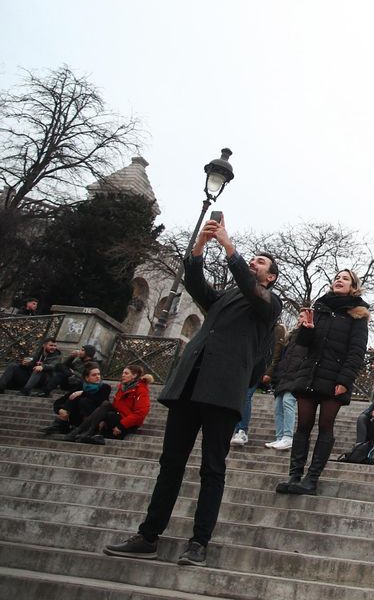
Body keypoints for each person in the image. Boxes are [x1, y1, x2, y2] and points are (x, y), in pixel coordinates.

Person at [104, 218, 281, 567]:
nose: (253, 263)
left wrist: (229, 246)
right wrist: (200, 245)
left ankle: (199, 542)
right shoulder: (227, 298)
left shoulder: (268, 305)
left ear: (270, 277)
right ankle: (148, 535)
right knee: (170, 464)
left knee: (212, 469)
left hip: (223, 393)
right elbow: (197, 285)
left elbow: (249, 285)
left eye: (261, 262)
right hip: (190, 386)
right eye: (253, 259)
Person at [276, 269, 370, 496]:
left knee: (325, 426)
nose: (339, 280)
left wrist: (345, 380)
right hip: (310, 374)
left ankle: (312, 478)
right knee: (303, 426)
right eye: (337, 277)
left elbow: (356, 351)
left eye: (345, 278)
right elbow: (304, 344)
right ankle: (295, 475)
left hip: (335, 378)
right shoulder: (319, 308)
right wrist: (307, 331)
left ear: (353, 286)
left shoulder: (358, 315)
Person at [62, 365, 153, 444]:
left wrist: (121, 426)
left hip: (127, 422)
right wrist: (102, 417)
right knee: (105, 405)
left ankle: (83, 432)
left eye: (126, 373)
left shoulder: (141, 389)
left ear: (134, 375)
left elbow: (141, 413)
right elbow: (116, 406)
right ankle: (86, 432)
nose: (123, 375)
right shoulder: (123, 387)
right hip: (117, 415)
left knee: (106, 410)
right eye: (123, 373)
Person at [264, 324, 305, 450]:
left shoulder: (307, 336)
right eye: (299, 317)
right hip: (284, 376)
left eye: (302, 317)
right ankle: (280, 436)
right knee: (278, 406)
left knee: (288, 402)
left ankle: (288, 436)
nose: (300, 320)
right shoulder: (289, 338)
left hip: (296, 377)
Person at [44, 363, 110, 437]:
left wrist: (83, 393)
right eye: (94, 375)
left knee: (82, 399)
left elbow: (100, 401)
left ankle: (59, 425)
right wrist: (61, 410)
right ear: (87, 378)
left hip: (93, 420)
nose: (98, 377)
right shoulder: (81, 387)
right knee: (74, 396)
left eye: (99, 374)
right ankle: (61, 422)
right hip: (76, 420)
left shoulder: (105, 387)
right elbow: (59, 402)